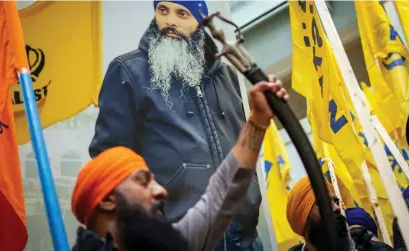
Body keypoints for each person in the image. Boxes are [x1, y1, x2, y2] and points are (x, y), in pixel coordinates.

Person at [89, 1, 263, 250]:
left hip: (244, 240)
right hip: (174, 240)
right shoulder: (128, 71)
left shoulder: (228, 76)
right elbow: (109, 163)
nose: (170, 21)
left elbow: (244, 146)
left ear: (201, 21)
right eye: (163, 10)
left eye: (182, 13)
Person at [73, 80, 289, 251]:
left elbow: (222, 193)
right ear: (108, 200)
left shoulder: (172, 245)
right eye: (143, 182)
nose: (161, 190)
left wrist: (258, 121)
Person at [286, 177, 355, 251]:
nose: (337, 208)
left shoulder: (364, 243)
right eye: (324, 203)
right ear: (303, 218)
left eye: (336, 202)